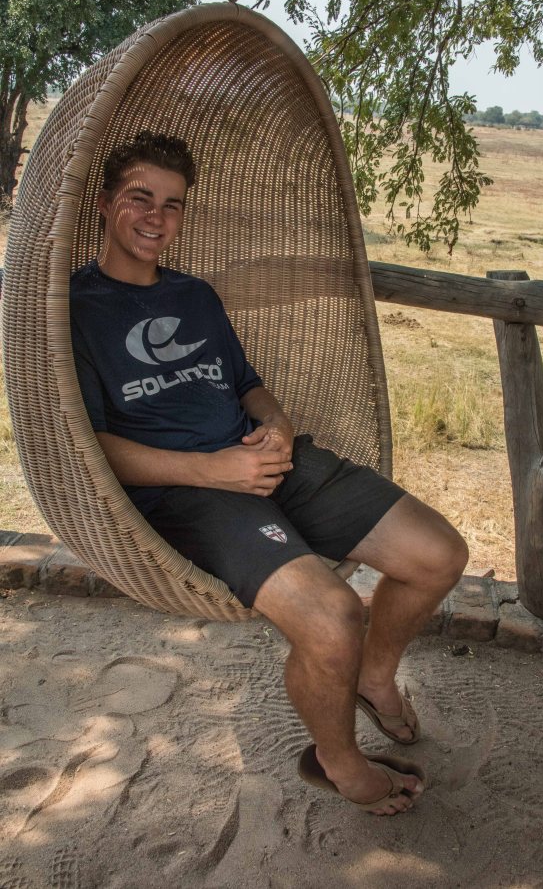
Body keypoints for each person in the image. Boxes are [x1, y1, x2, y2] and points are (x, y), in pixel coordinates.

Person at [70, 131, 469, 816]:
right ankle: (337, 763)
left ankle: (374, 677)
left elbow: (248, 383)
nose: (156, 217)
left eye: (172, 204)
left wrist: (276, 426)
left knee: (439, 554)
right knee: (332, 617)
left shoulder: (193, 296)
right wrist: (214, 469)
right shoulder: (72, 309)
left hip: (267, 460)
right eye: (141, 198)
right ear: (105, 205)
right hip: (189, 492)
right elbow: (88, 445)